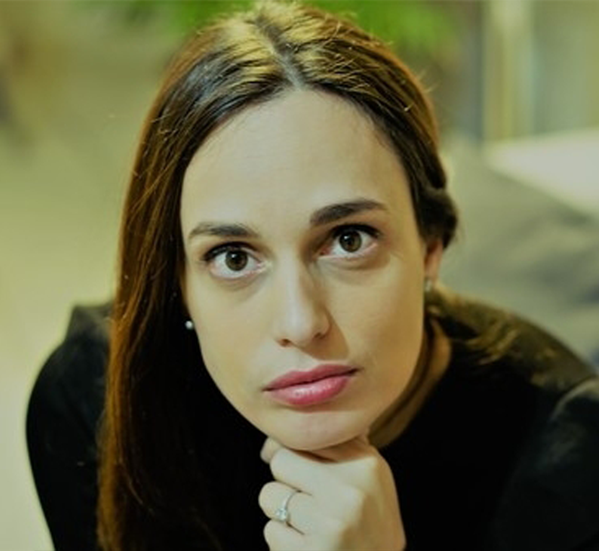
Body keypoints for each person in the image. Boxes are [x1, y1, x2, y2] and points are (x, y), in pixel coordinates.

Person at [26, 1, 599, 550]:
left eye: (348, 240)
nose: (300, 323)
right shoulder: (95, 401)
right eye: (233, 257)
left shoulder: (567, 458)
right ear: (178, 284)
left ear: (431, 244)